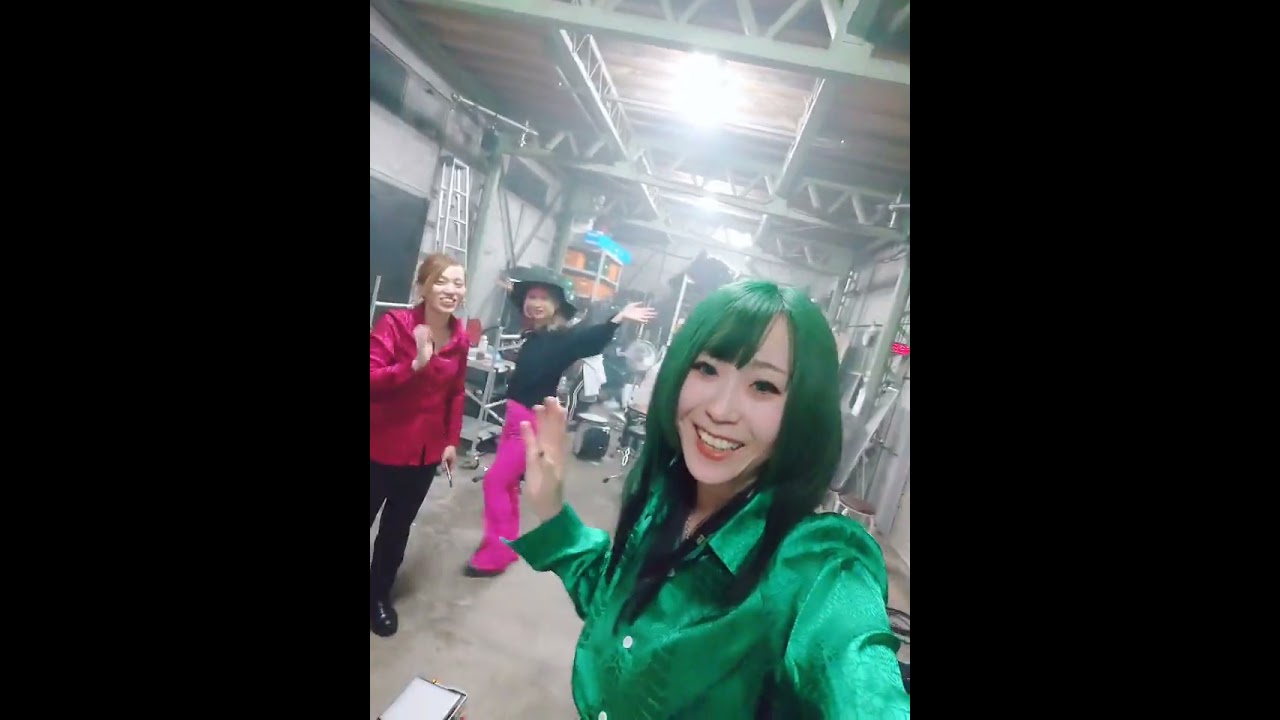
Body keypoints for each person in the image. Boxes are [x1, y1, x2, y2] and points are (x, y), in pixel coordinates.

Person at [507, 279, 910, 717]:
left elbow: (864, 685)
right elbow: (613, 605)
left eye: (764, 386)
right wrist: (552, 510)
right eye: (707, 368)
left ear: (803, 409)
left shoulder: (814, 567)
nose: (720, 410)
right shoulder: (668, 500)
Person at [465, 267, 655, 578]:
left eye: (543, 298)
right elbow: (519, 301)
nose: (535, 303)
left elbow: (589, 340)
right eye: (531, 297)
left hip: (529, 423)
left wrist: (617, 319)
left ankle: (496, 554)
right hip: (514, 419)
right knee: (506, 484)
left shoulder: (561, 337)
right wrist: (509, 287)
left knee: (495, 483)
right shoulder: (535, 335)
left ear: (556, 306)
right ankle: (504, 544)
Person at [369, 253, 469, 637]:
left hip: (423, 454)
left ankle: (378, 596)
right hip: (379, 445)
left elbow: (456, 392)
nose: (451, 290)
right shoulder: (396, 325)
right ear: (424, 286)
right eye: (442, 281)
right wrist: (412, 367)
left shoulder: (460, 338)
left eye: (458, 283)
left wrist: (450, 440)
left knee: (396, 530)